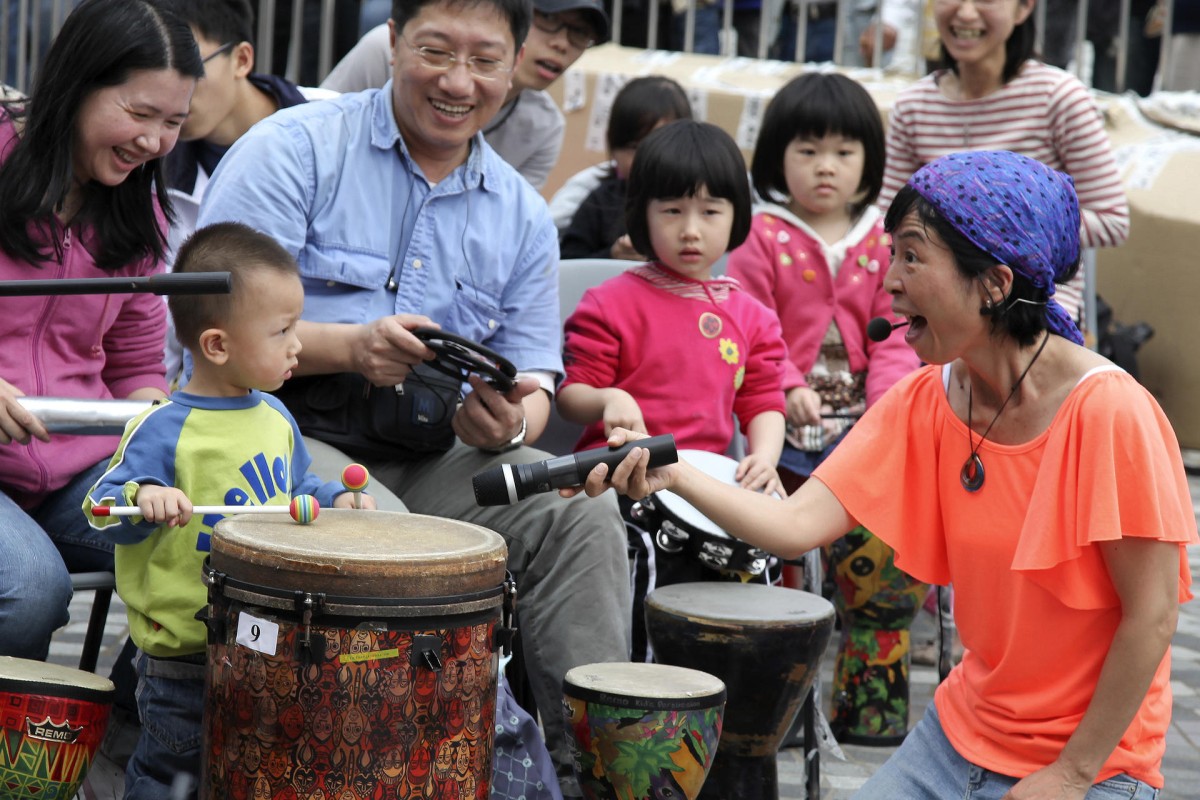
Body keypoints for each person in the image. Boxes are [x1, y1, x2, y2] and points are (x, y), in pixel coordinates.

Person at [581, 150, 1197, 800]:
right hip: (958, 738)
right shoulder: (927, 398)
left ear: (993, 282)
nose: (889, 280)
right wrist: (672, 476)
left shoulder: (1111, 412)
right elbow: (794, 527)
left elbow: (1153, 616)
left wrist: (1070, 775)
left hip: (1092, 764)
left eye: (910, 256)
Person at [195, 0, 632, 792]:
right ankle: (431, 770)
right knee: (397, 548)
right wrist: (349, 348)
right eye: (435, 51)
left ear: (517, 62)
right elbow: (209, 327)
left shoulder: (521, 213)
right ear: (392, 43)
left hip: (437, 457)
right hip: (277, 442)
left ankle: (590, 772)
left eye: (486, 60)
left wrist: (509, 421)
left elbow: (535, 377)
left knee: (582, 511)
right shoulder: (294, 151)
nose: (459, 82)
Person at [84, 223, 374, 798]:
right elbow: (99, 506)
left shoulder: (274, 417)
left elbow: (298, 490)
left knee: (249, 768)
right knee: (171, 773)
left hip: (261, 637)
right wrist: (144, 497)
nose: (298, 344)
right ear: (217, 345)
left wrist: (334, 499)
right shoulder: (164, 427)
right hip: (185, 652)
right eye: (283, 330)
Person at [726, 72, 923, 745]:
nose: (825, 168)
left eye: (843, 152)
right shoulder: (760, 235)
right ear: (778, 155)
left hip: (865, 427)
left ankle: (866, 709)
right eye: (807, 151)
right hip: (784, 430)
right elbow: (748, 324)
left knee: (884, 554)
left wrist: (886, 402)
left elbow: (898, 330)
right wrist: (782, 380)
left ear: (869, 159)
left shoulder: (883, 238)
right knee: (777, 552)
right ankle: (776, 710)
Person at [0, 0, 200, 662]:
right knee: (31, 589)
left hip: (71, 469)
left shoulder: (140, 211)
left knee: (201, 546)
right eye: (139, 114)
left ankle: (134, 733)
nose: (154, 142)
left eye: (173, 122)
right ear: (77, 84)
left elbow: (136, 366)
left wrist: (153, 415)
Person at [558, 120, 786, 659]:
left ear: (737, 217)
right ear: (641, 215)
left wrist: (766, 458)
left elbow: (764, 401)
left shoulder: (751, 314)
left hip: (707, 488)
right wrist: (610, 399)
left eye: (710, 212)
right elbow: (572, 394)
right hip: (624, 483)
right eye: (672, 211)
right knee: (645, 607)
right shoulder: (609, 302)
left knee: (761, 561)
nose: (691, 230)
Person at [877, 0, 1129, 328]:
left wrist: (1001, 232)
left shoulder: (1058, 97)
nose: (966, 13)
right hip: (933, 304)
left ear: (1024, 8)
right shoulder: (914, 106)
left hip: (1031, 311)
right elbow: (886, 222)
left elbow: (1112, 220)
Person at [152, 0, 312, 386]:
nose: (171, 87)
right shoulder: (145, 159)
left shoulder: (331, 124)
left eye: (189, 65)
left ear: (242, 59)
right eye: (153, 67)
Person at [320, 0, 609, 191]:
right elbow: (319, 132)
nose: (561, 43)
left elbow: (502, 233)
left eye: (580, 32)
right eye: (547, 18)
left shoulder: (544, 129)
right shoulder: (384, 50)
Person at [559, 75, 691, 261]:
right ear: (612, 145)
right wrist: (612, 256)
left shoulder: (696, 202)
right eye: (634, 147)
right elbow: (567, 264)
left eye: (660, 146)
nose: (647, 158)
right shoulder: (600, 202)